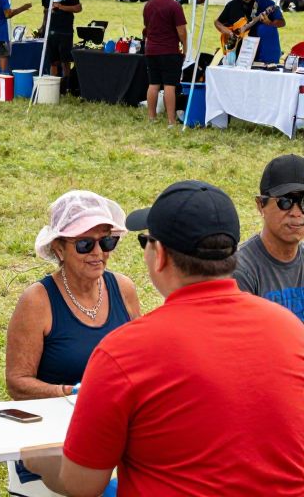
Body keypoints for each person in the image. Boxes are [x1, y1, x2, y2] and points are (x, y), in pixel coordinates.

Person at [29, 180, 304, 496]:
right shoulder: (292, 330)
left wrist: (39, 461)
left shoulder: (123, 352)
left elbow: (82, 484)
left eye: (145, 241)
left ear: (158, 255)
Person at [5, 190, 141, 492]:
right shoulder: (37, 301)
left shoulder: (123, 289)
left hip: (113, 438)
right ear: (59, 248)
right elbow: (17, 383)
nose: (98, 252)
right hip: (55, 445)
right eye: (84, 244)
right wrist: (70, 393)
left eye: (107, 241)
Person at [234, 154, 304, 321]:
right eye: (285, 201)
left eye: (303, 202)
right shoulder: (240, 271)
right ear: (260, 205)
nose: (296, 213)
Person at [142, 0, 187, 125]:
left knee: (153, 84)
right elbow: (181, 31)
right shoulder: (175, 5)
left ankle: (151, 117)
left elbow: (146, 27)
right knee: (169, 85)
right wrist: (185, 46)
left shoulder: (148, 5)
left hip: (151, 50)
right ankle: (171, 120)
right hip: (169, 50)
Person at [214, 0, 285, 64]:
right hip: (237, 52)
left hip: (260, 52)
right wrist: (230, 33)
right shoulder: (232, 5)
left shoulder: (266, 3)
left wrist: (270, 23)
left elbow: (282, 22)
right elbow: (217, 22)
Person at [40, 0, 81, 86]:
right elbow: (46, 11)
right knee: (53, 61)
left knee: (65, 60)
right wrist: (43, 26)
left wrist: (61, 7)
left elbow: (78, 8)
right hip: (51, 31)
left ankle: (67, 84)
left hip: (65, 31)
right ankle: (53, 85)